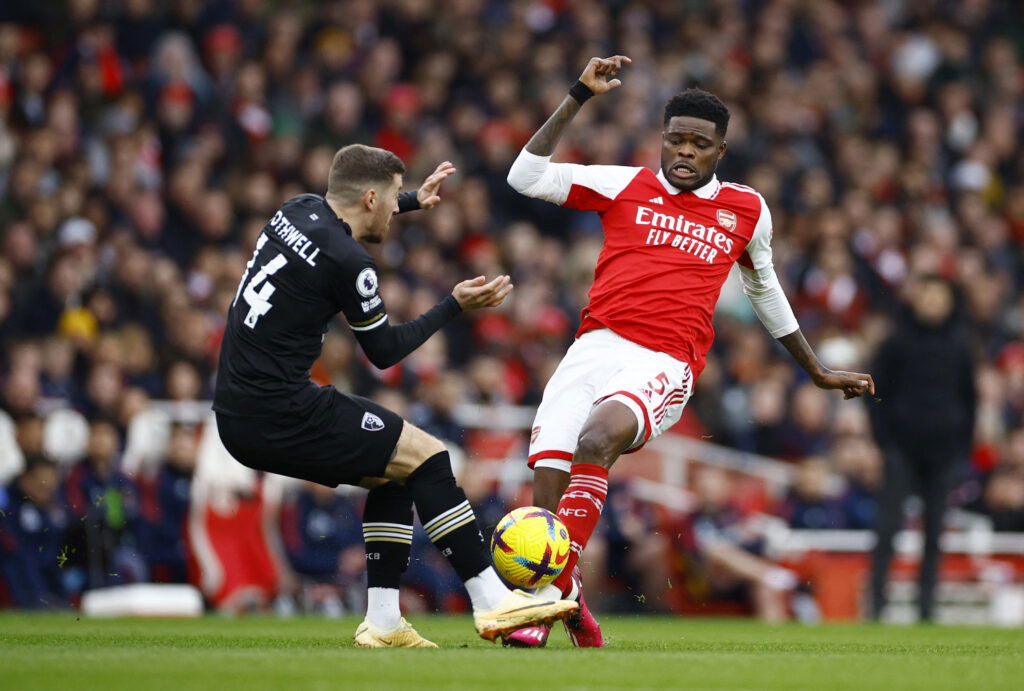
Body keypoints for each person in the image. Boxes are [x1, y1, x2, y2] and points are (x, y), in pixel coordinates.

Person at [505, 56, 874, 647]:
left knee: (597, 440)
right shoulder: (624, 184)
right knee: (546, 486)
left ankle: (542, 606)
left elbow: (766, 290)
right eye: (675, 139)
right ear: (662, 139)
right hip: (593, 347)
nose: (684, 151)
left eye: (699, 144)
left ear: (719, 151)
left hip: (663, 361)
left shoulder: (746, 210)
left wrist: (818, 370)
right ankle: (570, 599)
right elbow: (524, 177)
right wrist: (578, 95)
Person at [211, 143, 576, 647]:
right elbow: (383, 351)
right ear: (368, 198)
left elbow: (346, 210)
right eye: (388, 199)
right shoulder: (349, 260)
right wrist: (453, 305)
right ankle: (493, 600)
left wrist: (408, 200)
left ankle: (382, 622)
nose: (391, 209)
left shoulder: (293, 210)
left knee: (395, 473)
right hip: (279, 409)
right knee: (428, 457)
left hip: (238, 408)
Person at [868, 274, 975, 621]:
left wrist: (961, 447)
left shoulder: (960, 346)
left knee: (934, 533)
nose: (932, 302)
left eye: (938, 295)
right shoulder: (896, 342)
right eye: (926, 294)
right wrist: (885, 441)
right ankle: (876, 605)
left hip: (943, 452)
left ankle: (926, 609)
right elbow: (875, 394)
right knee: (887, 530)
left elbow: (969, 400)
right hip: (901, 449)